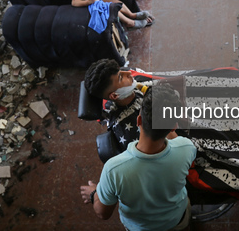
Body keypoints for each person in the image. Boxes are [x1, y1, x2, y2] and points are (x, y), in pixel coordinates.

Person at [84, 59, 239, 199]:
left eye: (122, 71)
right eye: (121, 77)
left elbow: (162, 81)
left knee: (232, 86)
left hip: (181, 111)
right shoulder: (128, 131)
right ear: (114, 96)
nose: (128, 74)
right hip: (182, 141)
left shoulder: (130, 83)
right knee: (220, 143)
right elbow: (162, 151)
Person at [80, 85, 196, 231]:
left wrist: (95, 193)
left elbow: (103, 213)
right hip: (178, 219)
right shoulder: (186, 147)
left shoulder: (114, 170)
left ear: (139, 120)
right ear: (174, 127)